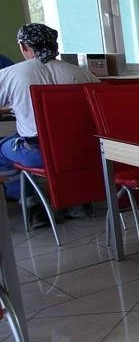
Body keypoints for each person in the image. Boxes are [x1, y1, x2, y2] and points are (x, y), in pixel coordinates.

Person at [0, 23, 98, 225]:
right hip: (86, 152)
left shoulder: (12, 73)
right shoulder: (83, 74)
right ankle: (78, 202)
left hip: (40, 154)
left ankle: (33, 205)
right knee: (68, 142)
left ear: (23, 46)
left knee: (2, 149)